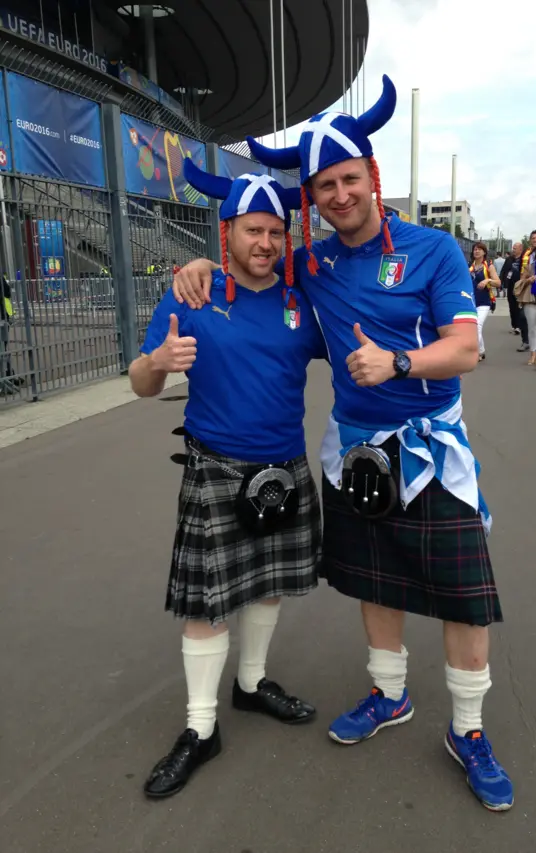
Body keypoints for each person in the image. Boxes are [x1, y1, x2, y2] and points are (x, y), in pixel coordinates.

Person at [173, 75, 514, 812]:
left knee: (464, 600)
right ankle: (389, 695)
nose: (337, 193)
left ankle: (470, 730)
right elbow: (249, 264)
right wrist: (198, 265)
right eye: (323, 184)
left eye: (348, 177)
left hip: (429, 449)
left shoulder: (435, 251)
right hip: (352, 449)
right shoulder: (311, 263)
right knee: (372, 583)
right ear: (314, 197)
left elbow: (465, 352)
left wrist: (398, 362)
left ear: (372, 177)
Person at [130, 166, 326, 799]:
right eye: (252, 230)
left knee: (267, 588)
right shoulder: (192, 295)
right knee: (208, 606)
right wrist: (158, 364)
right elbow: (141, 381)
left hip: (284, 467)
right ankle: (200, 728)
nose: (265, 242)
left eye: (274, 231)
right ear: (228, 231)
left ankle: (251, 685)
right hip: (215, 468)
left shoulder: (302, 301)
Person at [469, 242, 500, 361]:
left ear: (484, 252)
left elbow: (498, 282)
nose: (476, 251)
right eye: (475, 249)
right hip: (471, 301)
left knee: (477, 326)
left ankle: (477, 352)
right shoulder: (470, 266)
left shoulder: (488, 266)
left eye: (479, 249)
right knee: (472, 327)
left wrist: (487, 280)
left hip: (485, 302)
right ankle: (481, 350)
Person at [501, 242, 525, 335]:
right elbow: (504, 271)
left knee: (519, 306)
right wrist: (502, 283)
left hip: (520, 286)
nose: (513, 250)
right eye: (513, 248)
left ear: (520, 249)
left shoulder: (523, 259)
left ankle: (519, 326)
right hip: (510, 285)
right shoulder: (509, 259)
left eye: (515, 248)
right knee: (512, 306)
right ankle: (514, 325)